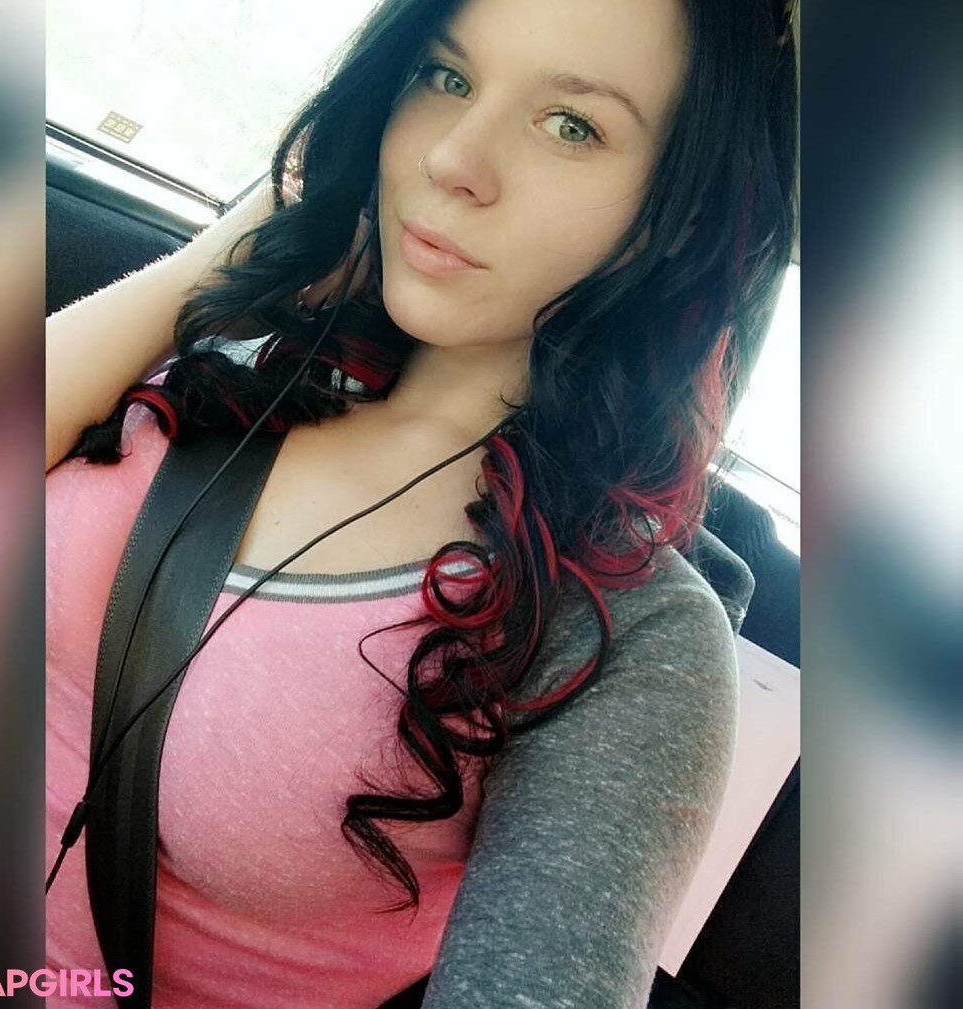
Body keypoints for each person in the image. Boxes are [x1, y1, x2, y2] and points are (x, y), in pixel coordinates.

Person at [45, 0, 797, 1005]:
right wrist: (217, 262)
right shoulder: (249, 342)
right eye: (447, 76)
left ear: (677, 219)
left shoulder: (622, 635)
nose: (451, 158)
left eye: (571, 125)